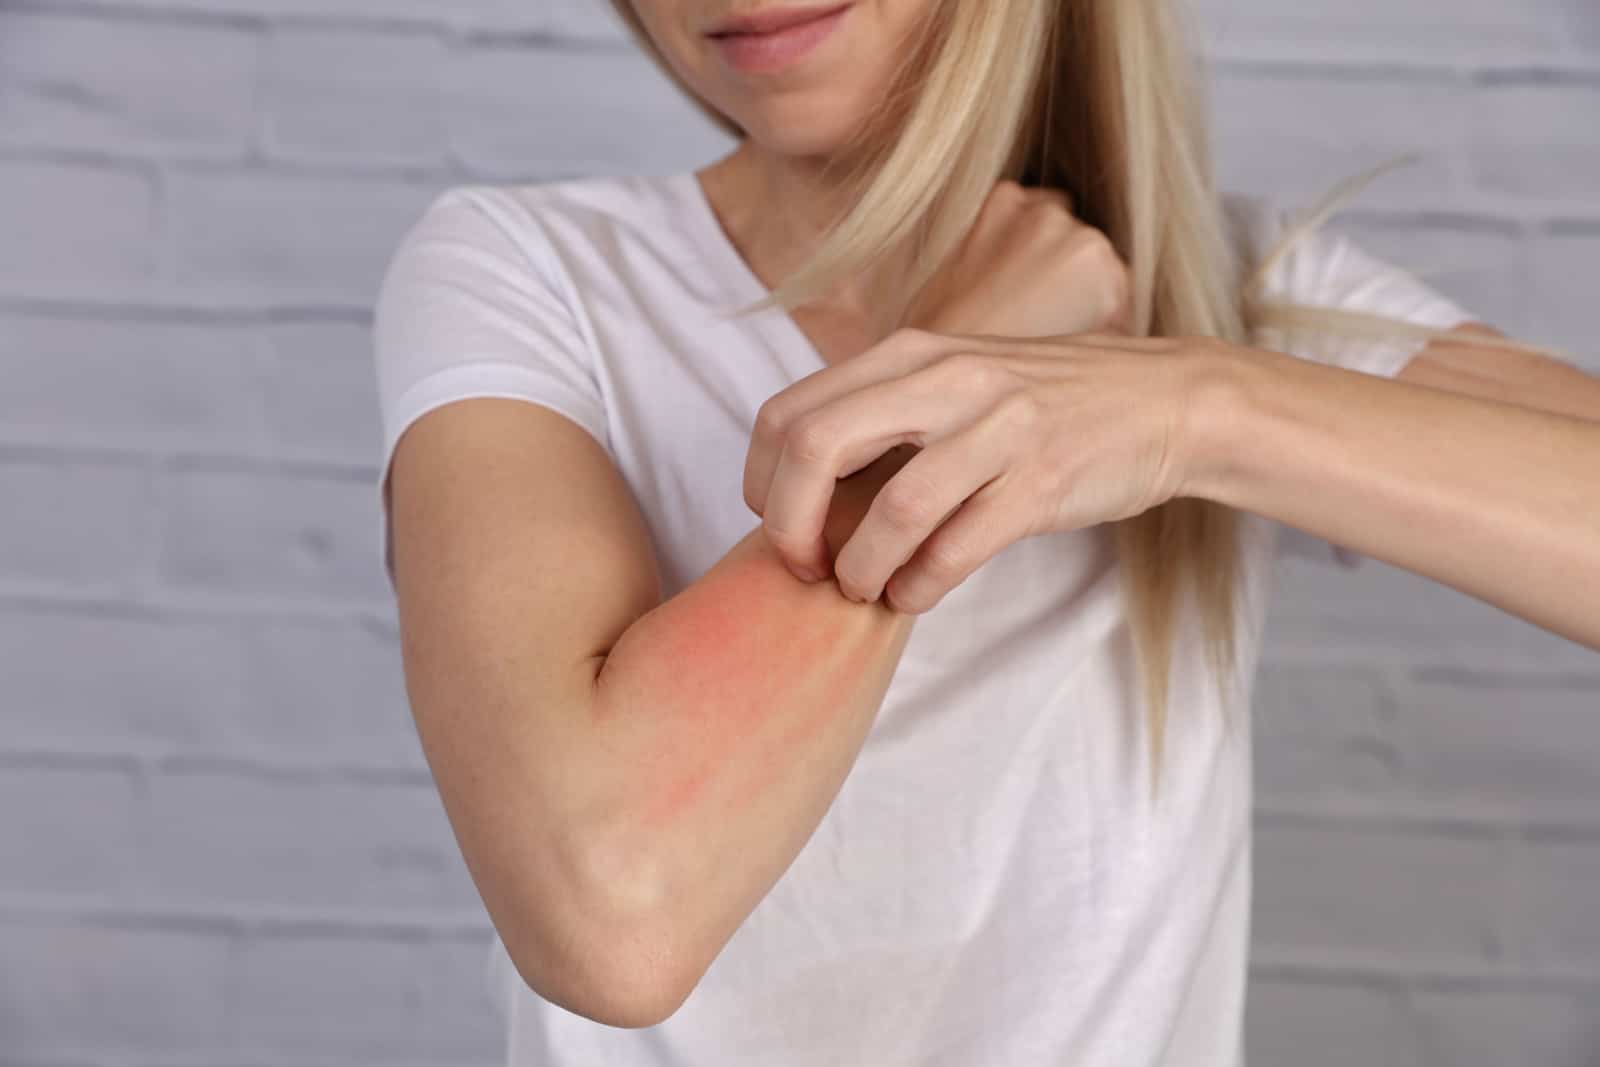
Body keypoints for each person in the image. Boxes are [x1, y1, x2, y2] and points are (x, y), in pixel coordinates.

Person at [370, 0, 1600, 1063]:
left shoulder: (1226, 287)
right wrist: (958, 352)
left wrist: (1195, 403)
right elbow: (611, 914)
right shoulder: (527, 276)